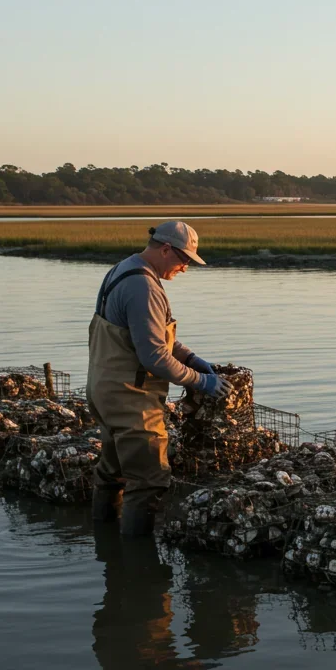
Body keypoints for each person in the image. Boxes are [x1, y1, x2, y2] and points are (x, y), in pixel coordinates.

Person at [87, 221, 231, 536]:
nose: (184, 268)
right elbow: (154, 357)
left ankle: (106, 548)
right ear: (165, 249)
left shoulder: (124, 269)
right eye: (184, 260)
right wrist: (202, 381)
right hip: (130, 400)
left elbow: (151, 335)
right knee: (148, 480)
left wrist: (191, 358)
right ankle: (139, 565)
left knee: (112, 473)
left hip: (104, 391)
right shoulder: (144, 287)